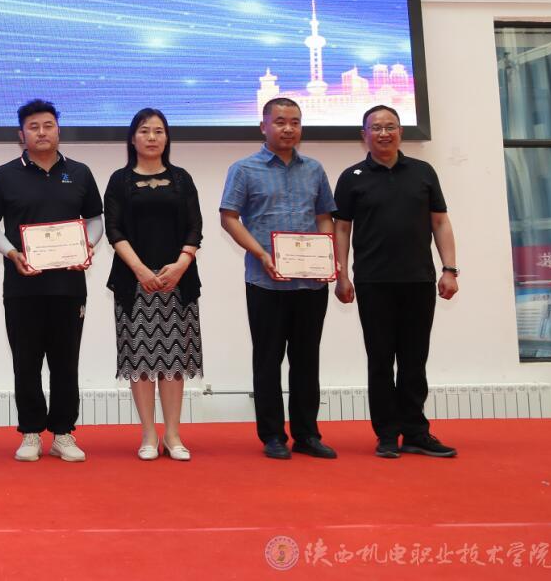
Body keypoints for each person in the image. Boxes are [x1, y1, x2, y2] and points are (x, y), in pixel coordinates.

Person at [0, 99, 103, 462]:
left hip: (69, 286)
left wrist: (87, 246)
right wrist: (11, 253)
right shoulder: (4, 175)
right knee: (26, 361)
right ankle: (31, 431)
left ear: (58, 130)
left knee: (66, 361)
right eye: (33, 127)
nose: (42, 132)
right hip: (23, 286)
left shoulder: (79, 172)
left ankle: (63, 433)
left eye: (48, 125)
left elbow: (95, 219)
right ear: (21, 135)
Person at [333, 104, 460, 459]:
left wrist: (450, 269)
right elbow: (341, 229)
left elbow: (440, 222)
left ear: (401, 132)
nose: (384, 133)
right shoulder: (352, 177)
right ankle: (387, 434)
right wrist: (341, 275)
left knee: (414, 361)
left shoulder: (423, 172)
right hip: (373, 283)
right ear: (364, 135)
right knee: (380, 361)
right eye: (376, 127)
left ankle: (416, 432)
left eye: (390, 126)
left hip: (418, 281)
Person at [219, 97, 338, 460]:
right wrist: (260, 254)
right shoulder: (244, 169)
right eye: (281, 121)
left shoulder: (314, 169)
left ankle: (307, 434)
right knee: (268, 360)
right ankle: (272, 435)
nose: (288, 128)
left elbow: (324, 215)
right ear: (264, 126)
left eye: (295, 122)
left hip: (311, 283)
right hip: (265, 281)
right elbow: (229, 217)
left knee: (307, 360)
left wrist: (325, 252)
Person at [104, 108, 203, 461]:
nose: (151, 137)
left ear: (167, 138)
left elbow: (195, 226)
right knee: (141, 361)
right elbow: (113, 229)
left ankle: (173, 434)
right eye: (144, 130)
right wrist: (140, 271)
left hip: (178, 281)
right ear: (132, 138)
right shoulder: (119, 180)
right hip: (135, 284)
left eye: (159, 131)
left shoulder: (181, 179)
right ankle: (148, 434)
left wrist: (180, 265)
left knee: (174, 360)